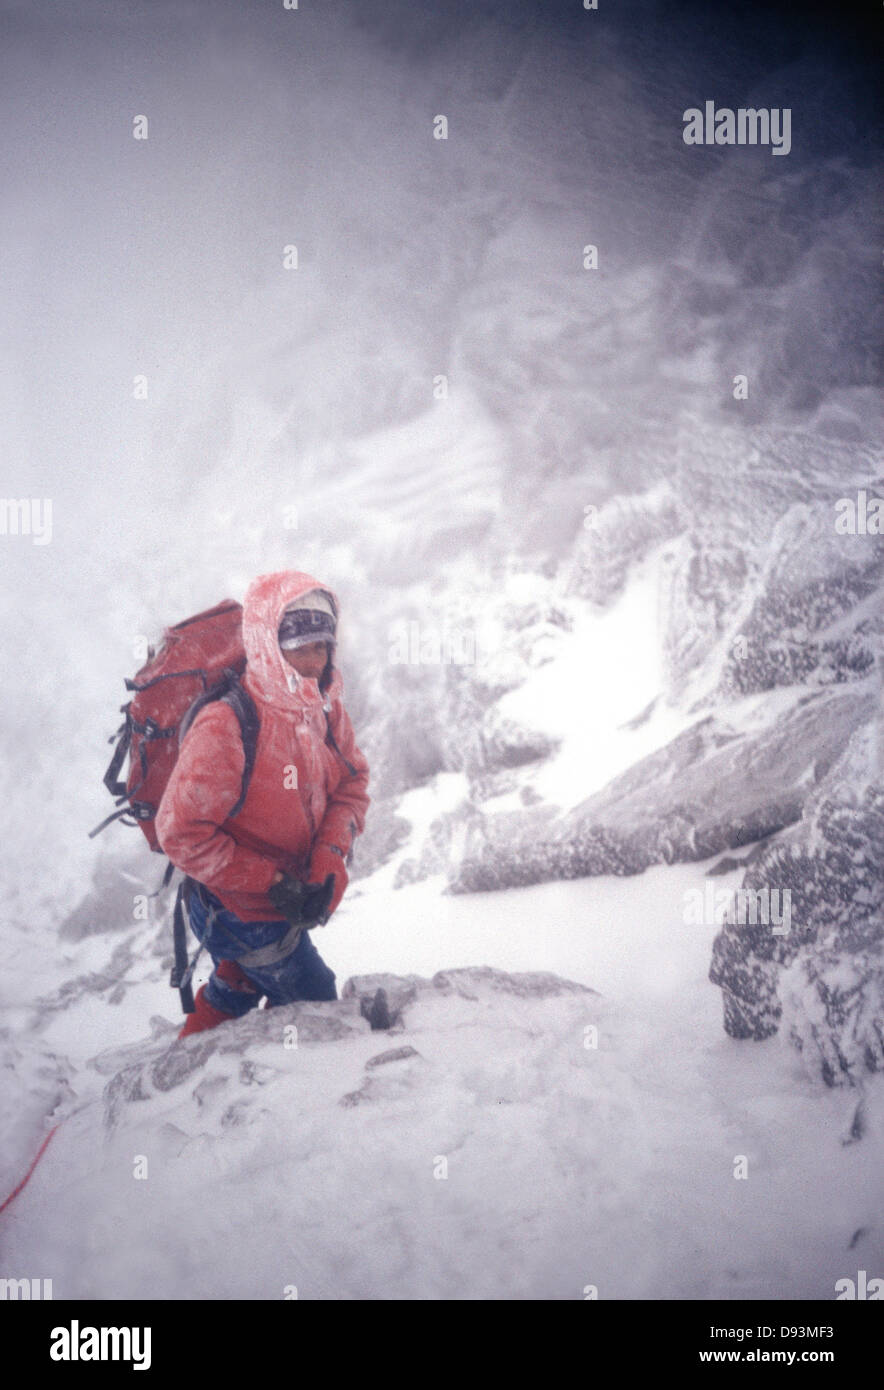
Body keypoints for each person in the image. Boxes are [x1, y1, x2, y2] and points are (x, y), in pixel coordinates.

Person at [155, 569, 370, 1038]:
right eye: (298, 647)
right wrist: (273, 883)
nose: (313, 661)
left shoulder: (325, 707)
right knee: (315, 1002)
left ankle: (185, 1063)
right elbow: (181, 834)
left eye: (321, 646)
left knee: (240, 983)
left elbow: (351, 787)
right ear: (268, 646)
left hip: (284, 898)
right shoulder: (226, 726)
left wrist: (328, 856)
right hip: (238, 908)